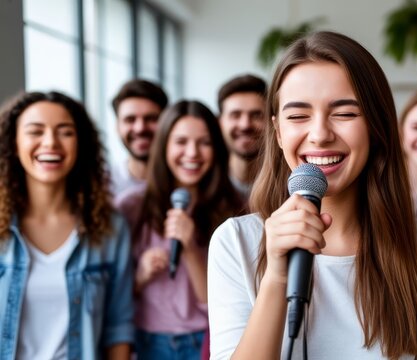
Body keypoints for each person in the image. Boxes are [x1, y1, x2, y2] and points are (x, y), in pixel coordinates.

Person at [207, 31, 417, 359]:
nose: (320, 135)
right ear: (278, 132)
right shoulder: (235, 243)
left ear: (376, 126)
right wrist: (275, 276)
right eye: (298, 116)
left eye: (344, 113)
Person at [0, 91, 134, 359]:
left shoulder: (110, 229)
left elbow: (118, 329)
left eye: (65, 132)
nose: (50, 142)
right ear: (14, 143)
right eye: (35, 131)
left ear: (80, 144)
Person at [115, 100, 242, 360]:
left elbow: (221, 304)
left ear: (217, 148)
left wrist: (190, 249)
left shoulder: (238, 208)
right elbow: (110, 298)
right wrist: (140, 277)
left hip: (209, 340)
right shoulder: (131, 206)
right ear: (164, 146)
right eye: (181, 142)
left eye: (204, 143)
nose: (192, 153)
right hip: (148, 342)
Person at [111, 79, 168, 195]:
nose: (140, 128)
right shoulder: (103, 187)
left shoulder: (185, 182)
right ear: (117, 126)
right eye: (130, 120)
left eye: (151, 119)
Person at [217, 74, 267, 202]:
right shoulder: (205, 186)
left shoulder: (289, 186)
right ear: (220, 122)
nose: (245, 125)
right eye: (235, 115)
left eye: (256, 115)